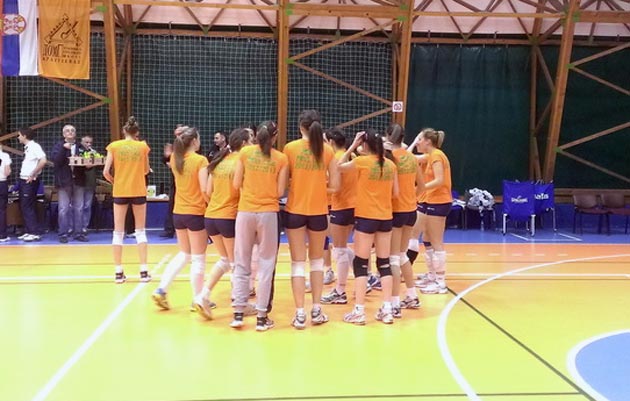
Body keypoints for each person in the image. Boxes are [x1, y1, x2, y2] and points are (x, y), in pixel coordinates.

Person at [283, 110, 339, 329]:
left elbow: (284, 182)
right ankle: (316, 310)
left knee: (297, 263)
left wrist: (299, 184)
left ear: (300, 127)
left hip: (295, 211)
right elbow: (335, 186)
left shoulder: (290, 148)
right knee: (316, 262)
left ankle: (299, 314)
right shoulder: (328, 150)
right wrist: (318, 186)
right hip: (318, 212)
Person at [231, 121, 288, 331]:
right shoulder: (281, 158)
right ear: (275, 137)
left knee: (241, 262)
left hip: (245, 211)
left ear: (255, 136)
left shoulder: (245, 154)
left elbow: (236, 184)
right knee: (266, 264)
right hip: (268, 213)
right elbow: (280, 192)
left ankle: (238, 313)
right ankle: (262, 318)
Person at [339, 129, 398, 325]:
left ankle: (359, 311)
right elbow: (396, 193)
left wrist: (352, 147)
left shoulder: (362, 162)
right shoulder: (390, 165)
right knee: (384, 263)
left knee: (361, 264)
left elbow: (339, 167)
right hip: (385, 217)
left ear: (365, 145)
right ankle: (387, 309)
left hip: (366, 217)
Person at [193, 128, 252, 319]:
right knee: (236, 263)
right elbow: (243, 190)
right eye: (250, 140)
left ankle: (202, 296)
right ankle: (240, 304)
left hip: (211, 216)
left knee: (225, 260)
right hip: (229, 217)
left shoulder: (219, 162)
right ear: (243, 144)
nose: (252, 144)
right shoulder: (241, 163)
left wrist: (217, 206)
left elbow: (207, 192)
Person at [152, 127, 209, 311]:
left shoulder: (175, 159)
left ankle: (161, 289)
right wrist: (211, 204)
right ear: (194, 141)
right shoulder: (200, 160)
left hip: (179, 212)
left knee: (185, 254)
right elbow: (204, 189)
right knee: (198, 258)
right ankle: (198, 299)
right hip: (196, 212)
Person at [103, 116, 151, 283]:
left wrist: (116, 181)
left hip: (120, 191)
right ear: (136, 132)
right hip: (138, 190)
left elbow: (106, 172)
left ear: (124, 131)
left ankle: (118, 272)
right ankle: (143, 271)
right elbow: (146, 170)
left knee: (118, 232)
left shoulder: (114, 146)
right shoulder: (143, 146)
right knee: (140, 231)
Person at [385, 124, 423, 316]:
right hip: (411, 210)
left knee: (393, 257)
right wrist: (411, 198)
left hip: (396, 211)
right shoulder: (411, 157)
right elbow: (422, 186)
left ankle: (394, 303)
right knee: (402, 255)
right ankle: (412, 295)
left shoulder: (390, 158)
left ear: (388, 136)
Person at [414, 129, 452, 294]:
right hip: (430, 200)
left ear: (428, 141)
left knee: (436, 242)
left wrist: (419, 189)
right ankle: (432, 275)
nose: (418, 142)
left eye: (420, 139)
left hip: (439, 201)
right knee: (427, 239)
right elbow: (411, 158)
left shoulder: (437, 155)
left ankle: (440, 282)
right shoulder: (429, 155)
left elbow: (439, 180)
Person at [321, 128, 356, 305]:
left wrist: (316, 187)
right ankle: (365, 277)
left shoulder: (336, 159)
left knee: (339, 249)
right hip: (353, 206)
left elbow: (337, 187)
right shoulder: (352, 156)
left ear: (331, 142)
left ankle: (340, 291)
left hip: (341, 206)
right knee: (342, 247)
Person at [51, 125, 86, 243]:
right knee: (63, 209)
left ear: (75, 133)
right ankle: (63, 234)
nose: (70, 132)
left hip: (79, 181)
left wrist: (89, 166)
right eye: (67, 131)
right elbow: (56, 161)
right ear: (63, 134)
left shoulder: (81, 147)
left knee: (79, 208)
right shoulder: (58, 146)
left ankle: (78, 233)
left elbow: (87, 163)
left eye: (72, 131)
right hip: (64, 182)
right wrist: (63, 149)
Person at [17, 128, 47, 242]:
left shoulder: (35, 146)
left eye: (19, 135)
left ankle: (34, 232)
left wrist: (33, 173)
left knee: (28, 206)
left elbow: (43, 160)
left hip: (29, 180)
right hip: (23, 179)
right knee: (24, 206)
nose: (18, 137)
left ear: (25, 136)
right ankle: (29, 230)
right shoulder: (28, 147)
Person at [76, 135, 99, 237]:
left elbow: (101, 161)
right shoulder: (77, 151)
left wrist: (95, 160)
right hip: (78, 183)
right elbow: (86, 165)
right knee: (78, 206)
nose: (89, 144)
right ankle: (74, 227)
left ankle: (84, 227)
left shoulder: (93, 152)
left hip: (90, 183)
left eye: (90, 142)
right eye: (86, 142)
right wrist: (94, 161)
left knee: (87, 206)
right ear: (81, 142)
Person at [0, 142, 12, 242]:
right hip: (2, 182)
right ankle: (2, 235)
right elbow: (7, 172)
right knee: (2, 210)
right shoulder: (5, 156)